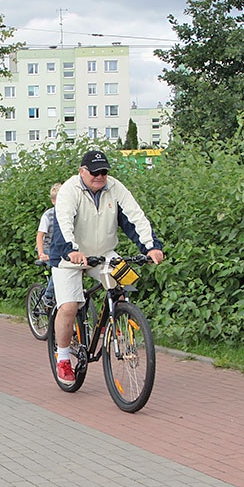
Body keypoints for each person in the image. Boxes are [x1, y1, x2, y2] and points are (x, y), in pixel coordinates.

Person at [48, 150, 164, 385]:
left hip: (103, 253)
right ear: (82, 171)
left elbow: (135, 217)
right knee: (69, 305)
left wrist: (150, 246)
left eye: (104, 171)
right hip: (68, 256)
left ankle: (113, 324)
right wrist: (72, 249)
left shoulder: (115, 188)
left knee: (126, 280)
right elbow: (63, 222)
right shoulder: (70, 191)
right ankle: (62, 358)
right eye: (94, 172)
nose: (100, 176)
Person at [35, 183, 62, 306]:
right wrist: (41, 253)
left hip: (61, 248)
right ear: (53, 201)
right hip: (47, 248)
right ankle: (48, 295)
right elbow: (40, 235)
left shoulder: (71, 214)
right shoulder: (48, 215)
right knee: (58, 269)